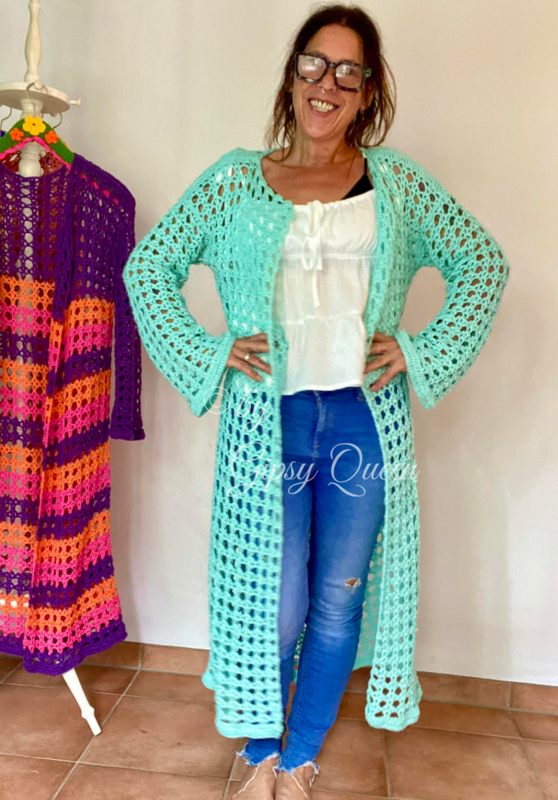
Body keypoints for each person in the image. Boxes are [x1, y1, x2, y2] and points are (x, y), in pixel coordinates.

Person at [123, 4, 510, 798]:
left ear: (367, 91)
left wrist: (417, 351)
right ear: (292, 75)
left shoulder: (395, 184)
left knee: (338, 599)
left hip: (362, 423)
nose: (326, 84)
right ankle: (260, 751)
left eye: (347, 71)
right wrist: (212, 353)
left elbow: (483, 264)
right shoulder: (238, 180)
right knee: (275, 601)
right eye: (313, 64)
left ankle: (299, 758)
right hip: (271, 422)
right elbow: (148, 268)